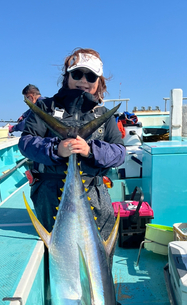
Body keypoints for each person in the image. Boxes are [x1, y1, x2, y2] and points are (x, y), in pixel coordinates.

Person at [18, 48, 125, 244]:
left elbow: (119, 152)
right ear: (67, 76)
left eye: (91, 76)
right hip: (50, 197)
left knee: (99, 258)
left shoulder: (104, 115)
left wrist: (90, 150)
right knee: (57, 254)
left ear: (99, 82)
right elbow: (26, 143)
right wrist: (56, 149)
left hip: (95, 196)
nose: (84, 81)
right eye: (77, 74)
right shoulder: (45, 108)